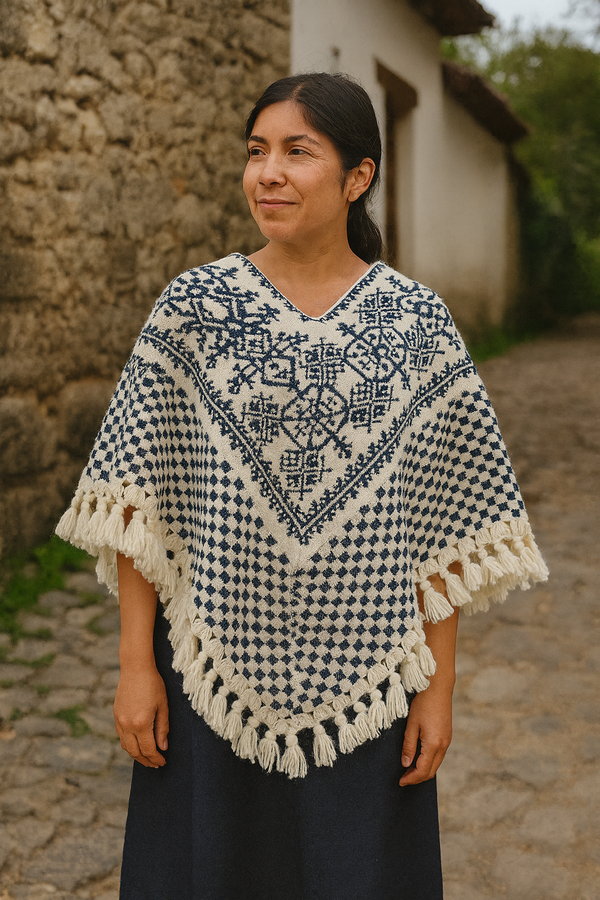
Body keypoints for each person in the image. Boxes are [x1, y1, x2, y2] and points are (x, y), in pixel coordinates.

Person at [57, 73, 548, 900]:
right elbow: (142, 498)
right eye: (256, 152)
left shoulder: (416, 326)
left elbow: (445, 527)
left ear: (358, 177)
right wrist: (135, 664)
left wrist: (439, 689)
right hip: (208, 666)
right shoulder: (196, 308)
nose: (268, 173)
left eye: (297, 152)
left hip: (371, 675)